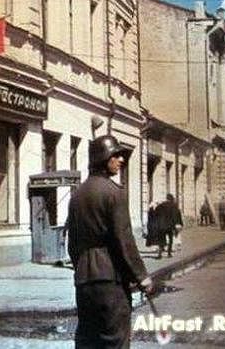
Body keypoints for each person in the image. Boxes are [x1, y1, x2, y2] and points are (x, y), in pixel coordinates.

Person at [67, 135, 153, 348]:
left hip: (84, 282)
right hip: (110, 280)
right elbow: (123, 239)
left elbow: (72, 243)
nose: (121, 159)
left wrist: (83, 267)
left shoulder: (77, 195)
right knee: (115, 340)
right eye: (115, 155)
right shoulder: (114, 193)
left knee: (88, 340)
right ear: (102, 158)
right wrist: (141, 276)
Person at [155, 193, 179, 259]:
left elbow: (156, 212)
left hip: (162, 225)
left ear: (167, 198)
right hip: (170, 226)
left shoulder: (161, 205)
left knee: (161, 240)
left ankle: (160, 254)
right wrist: (175, 226)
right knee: (170, 239)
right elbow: (175, 217)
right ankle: (169, 253)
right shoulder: (174, 206)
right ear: (171, 199)